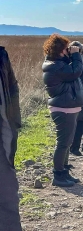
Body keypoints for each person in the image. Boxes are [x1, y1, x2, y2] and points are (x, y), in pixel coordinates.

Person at [42, 34, 83, 187]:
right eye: (66, 49)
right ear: (60, 50)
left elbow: (74, 70)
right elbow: (76, 71)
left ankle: (64, 172)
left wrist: (74, 54)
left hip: (67, 107)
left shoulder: (58, 64)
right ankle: (58, 175)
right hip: (63, 108)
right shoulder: (55, 66)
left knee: (67, 143)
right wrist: (75, 56)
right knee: (63, 143)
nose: (69, 51)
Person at [0, 46, 22, 231]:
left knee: (8, 197)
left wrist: (15, 123)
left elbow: (13, 88)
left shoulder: (1, 55)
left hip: (3, 137)